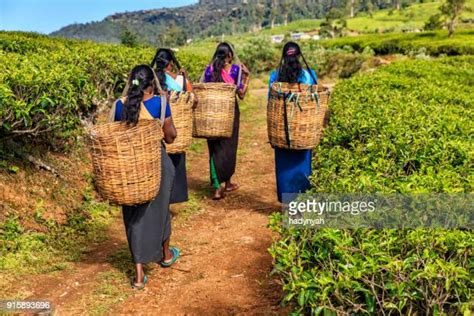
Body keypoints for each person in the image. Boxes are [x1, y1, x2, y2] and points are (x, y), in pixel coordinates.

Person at [113, 65, 180, 290]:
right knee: (161, 208)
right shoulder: (160, 103)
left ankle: (139, 275)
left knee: (133, 215)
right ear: (152, 83)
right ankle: (166, 254)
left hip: (128, 167)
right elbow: (170, 137)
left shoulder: (119, 106)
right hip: (155, 164)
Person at [268, 42, 318, 203]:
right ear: (299, 56)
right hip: (304, 129)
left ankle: (287, 205)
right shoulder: (309, 75)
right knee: (302, 166)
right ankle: (302, 203)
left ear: (283, 56)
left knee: (284, 166)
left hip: (283, 130)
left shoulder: (275, 77)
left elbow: (270, 102)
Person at [203, 42, 250, 200]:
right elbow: (241, 94)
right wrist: (247, 77)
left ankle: (219, 186)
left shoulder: (209, 70)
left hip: (212, 113)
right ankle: (225, 184)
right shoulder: (236, 70)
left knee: (214, 148)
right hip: (230, 112)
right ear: (229, 56)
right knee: (229, 147)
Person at [151, 48, 193, 204]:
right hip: (175, 130)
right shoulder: (180, 81)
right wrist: (186, 79)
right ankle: (175, 196)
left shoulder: (150, 79)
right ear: (170, 64)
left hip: (155, 130)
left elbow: (135, 85)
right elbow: (193, 99)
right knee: (176, 163)